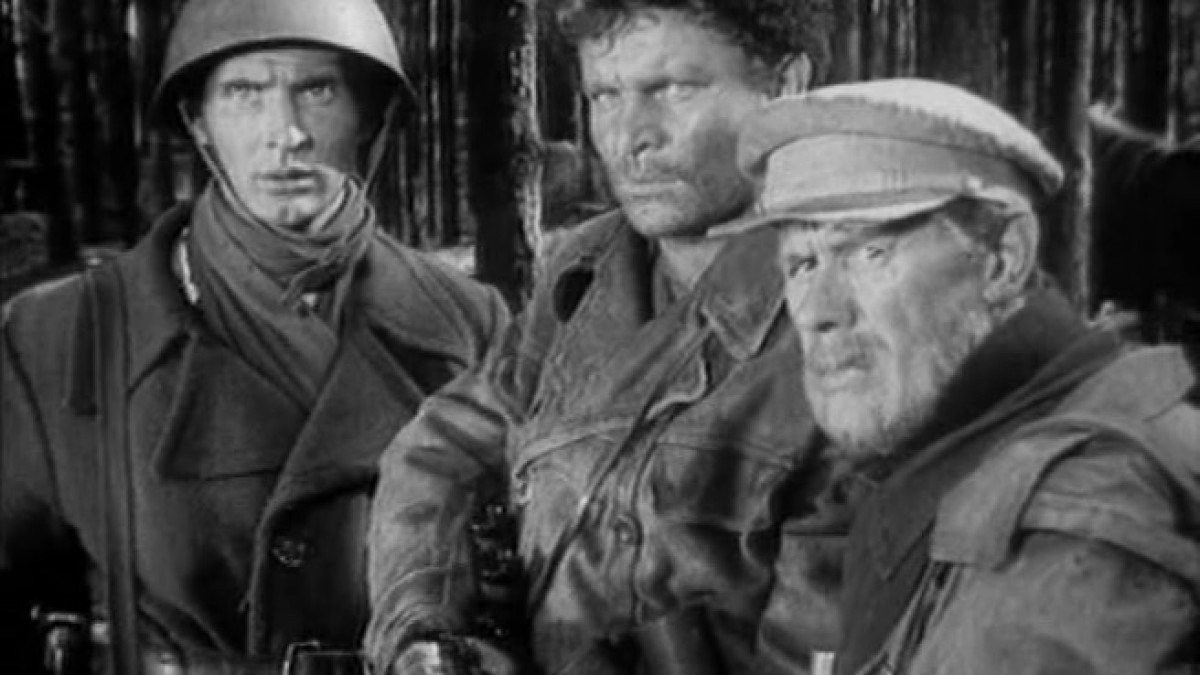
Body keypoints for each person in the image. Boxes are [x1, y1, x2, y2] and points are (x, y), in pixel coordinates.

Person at [0, 0, 508, 672]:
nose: (286, 133)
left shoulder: (469, 322)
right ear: (198, 121)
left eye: (317, 90)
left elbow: (521, 582)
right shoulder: (63, 337)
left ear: (368, 115)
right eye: (245, 93)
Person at [366, 2, 853, 674]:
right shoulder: (587, 271)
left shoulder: (849, 329)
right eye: (605, 95)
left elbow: (819, 646)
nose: (631, 139)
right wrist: (426, 635)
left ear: (785, 85)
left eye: (674, 89)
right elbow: (441, 448)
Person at [717, 78, 1200, 674]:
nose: (819, 312)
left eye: (869, 254)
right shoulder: (942, 450)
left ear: (1003, 258)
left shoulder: (1074, 510)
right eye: (801, 263)